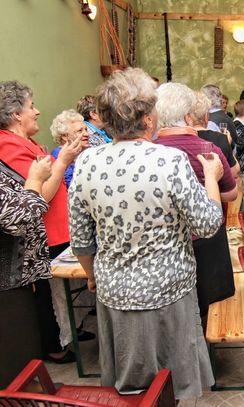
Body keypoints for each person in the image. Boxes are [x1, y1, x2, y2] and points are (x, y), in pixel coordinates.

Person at [68, 68, 224, 399]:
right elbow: (208, 224)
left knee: (128, 384)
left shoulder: (86, 162)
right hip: (168, 290)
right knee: (168, 381)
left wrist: (91, 274)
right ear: (149, 119)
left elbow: (80, 238)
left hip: (114, 290)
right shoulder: (170, 161)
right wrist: (211, 176)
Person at [0, 80, 83, 364]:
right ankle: (54, 345)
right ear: (16, 114)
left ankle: (67, 333)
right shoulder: (8, 146)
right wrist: (63, 162)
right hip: (41, 236)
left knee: (59, 295)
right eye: (31, 106)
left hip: (56, 231)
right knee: (48, 296)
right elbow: (36, 197)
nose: (37, 111)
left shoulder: (24, 142)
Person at [155, 83, 237, 328]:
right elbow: (231, 193)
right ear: (188, 116)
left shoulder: (151, 151)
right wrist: (206, 189)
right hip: (206, 239)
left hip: (165, 241)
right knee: (206, 303)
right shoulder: (208, 148)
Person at [0, 157, 52, 387]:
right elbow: (16, 218)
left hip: (13, 280)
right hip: (5, 285)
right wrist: (35, 180)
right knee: (16, 366)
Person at [190, 91, 240, 178]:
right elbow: (234, 171)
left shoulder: (178, 139)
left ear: (187, 117)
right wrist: (227, 144)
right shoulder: (221, 139)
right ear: (206, 116)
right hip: (215, 183)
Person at [50, 109, 89, 187]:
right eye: (80, 131)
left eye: (86, 129)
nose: (86, 134)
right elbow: (70, 184)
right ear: (65, 136)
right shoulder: (57, 155)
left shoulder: (85, 152)